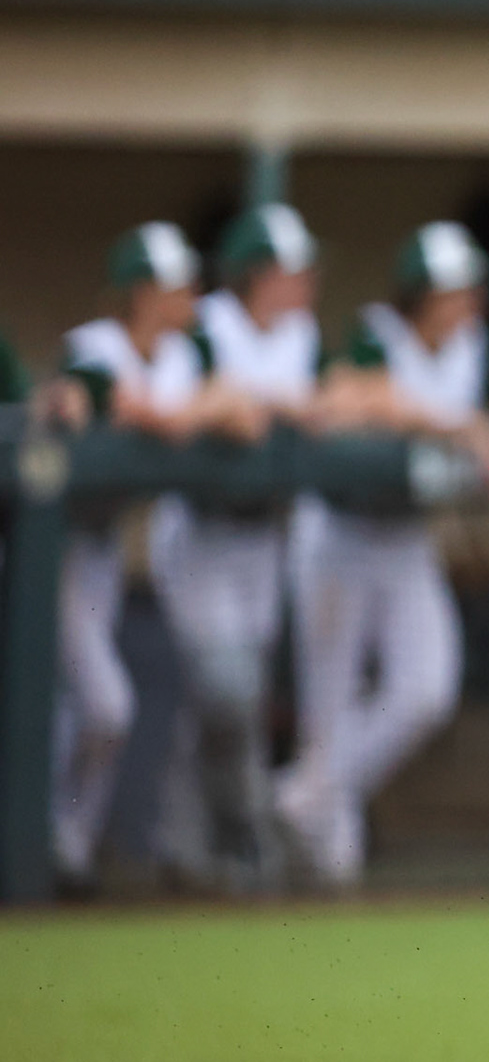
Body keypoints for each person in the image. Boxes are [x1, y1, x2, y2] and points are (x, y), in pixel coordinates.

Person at [280, 220, 489, 887]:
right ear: (422, 295)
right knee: (325, 710)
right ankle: (325, 866)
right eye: (457, 290)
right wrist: (460, 425)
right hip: (337, 534)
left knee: (427, 689)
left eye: (473, 289)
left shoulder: (474, 346)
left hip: (405, 537)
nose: (471, 302)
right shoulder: (375, 333)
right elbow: (350, 397)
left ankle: (302, 798)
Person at [51, 222, 245, 889]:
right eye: (176, 284)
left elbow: (241, 412)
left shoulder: (187, 353)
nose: (191, 293)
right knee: (98, 707)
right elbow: (76, 399)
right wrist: (173, 415)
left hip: (105, 549)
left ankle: (70, 851)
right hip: (53, 547)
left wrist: (180, 413)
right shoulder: (95, 347)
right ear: (141, 294)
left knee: (95, 710)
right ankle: (57, 843)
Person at [147, 203, 322, 889]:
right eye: (293, 269)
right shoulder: (208, 325)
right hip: (199, 531)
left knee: (231, 700)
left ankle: (189, 847)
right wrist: (243, 402)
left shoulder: (302, 333)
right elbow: (187, 401)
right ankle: (243, 836)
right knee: (226, 688)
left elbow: (331, 398)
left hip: (261, 538)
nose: (306, 282)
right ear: (259, 275)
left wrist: (268, 403)